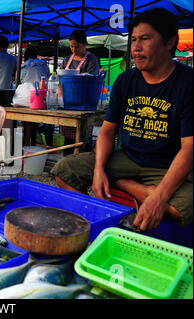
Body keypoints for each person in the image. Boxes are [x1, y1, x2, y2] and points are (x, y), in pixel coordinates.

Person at [51, 8, 193, 231]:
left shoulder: (187, 83)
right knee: (63, 170)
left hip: (167, 164)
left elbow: (189, 149)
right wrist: (98, 170)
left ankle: (125, 186)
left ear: (169, 42)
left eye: (145, 39)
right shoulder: (126, 80)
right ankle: (102, 221)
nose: (136, 47)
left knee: (183, 205)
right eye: (134, 39)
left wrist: (159, 197)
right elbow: (107, 131)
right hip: (127, 159)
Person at [60, 30, 101, 153]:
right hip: (67, 105)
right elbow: (60, 81)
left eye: (77, 47)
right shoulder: (67, 59)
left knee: (83, 138)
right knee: (68, 139)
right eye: (71, 46)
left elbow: (91, 81)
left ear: (85, 44)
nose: (74, 49)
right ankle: (66, 163)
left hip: (84, 105)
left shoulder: (91, 59)